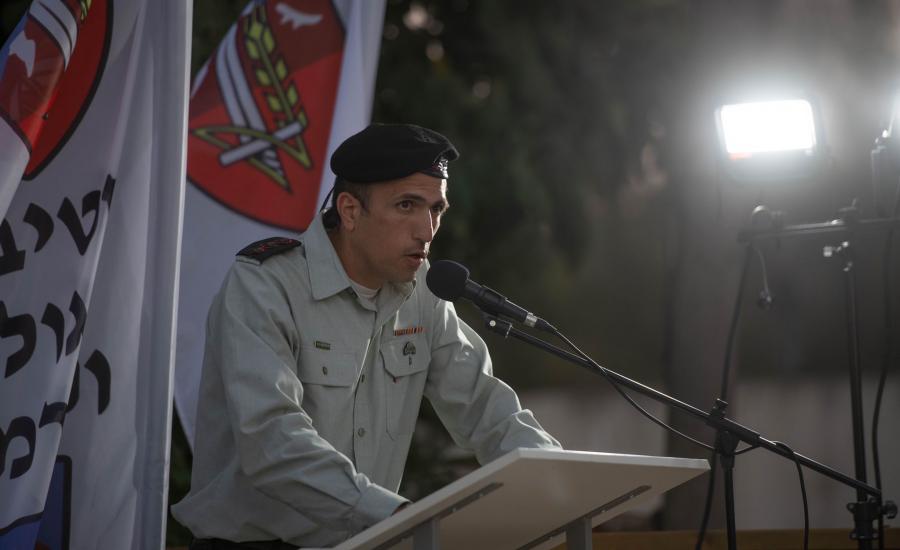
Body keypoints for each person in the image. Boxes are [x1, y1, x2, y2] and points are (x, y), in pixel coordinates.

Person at [171, 124, 560, 549]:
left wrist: (559, 483)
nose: (427, 231)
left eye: (436, 209)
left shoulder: (424, 294)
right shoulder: (265, 286)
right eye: (407, 205)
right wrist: (398, 516)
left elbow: (488, 409)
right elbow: (271, 443)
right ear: (351, 211)